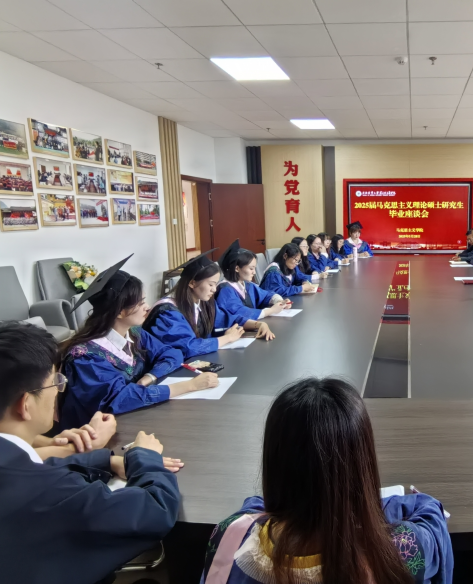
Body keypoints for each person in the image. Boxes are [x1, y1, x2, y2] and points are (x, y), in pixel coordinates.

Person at [200, 377, 453, 584]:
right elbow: (429, 512)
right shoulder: (398, 550)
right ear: (360, 467)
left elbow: (255, 506)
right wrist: (371, 504)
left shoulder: (229, 537)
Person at [0, 321, 183, 584]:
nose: (59, 391)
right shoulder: (53, 492)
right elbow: (156, 511)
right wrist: (144, 456)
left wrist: (104, 461)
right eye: (55, 383)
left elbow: (25, 469)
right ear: (25, 404)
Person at [60, 255, 219, 429]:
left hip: (136, 418)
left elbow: (172, 353)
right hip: (96, 434)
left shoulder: (135, 333)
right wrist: (189, 386)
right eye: (141, 303)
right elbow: (119, 398)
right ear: (119, 311)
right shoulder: (85, 356)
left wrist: (149, 377)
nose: (147, 307)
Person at [144, 249, 275, 360]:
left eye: (215, 284)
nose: (214, 289)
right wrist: (227, 338)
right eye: (211, 284)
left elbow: (227, 318)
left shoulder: (202, 302)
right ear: (192, 283)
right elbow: (188, 347)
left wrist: (258, 324)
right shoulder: (168, 312)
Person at [216, 239, 288, 322]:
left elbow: (265, 295)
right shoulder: (225, 289)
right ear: (237, 268)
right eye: (251, 268)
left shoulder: (247, 284)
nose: (254, 272)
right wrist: (271, 311)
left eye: (254, 268)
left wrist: (279, 301)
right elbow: (240, 313)